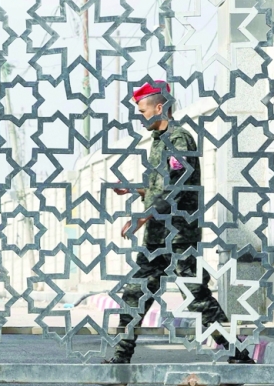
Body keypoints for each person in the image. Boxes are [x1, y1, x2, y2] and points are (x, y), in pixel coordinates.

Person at [108, 80, 253, 371]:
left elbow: (177, 185)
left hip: (178, 236)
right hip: (157, 236)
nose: (140, 117)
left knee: (196, 297)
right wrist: (135, 189)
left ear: (159, 107)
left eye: (143, 110)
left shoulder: (178, 139)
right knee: (136, 293)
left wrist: (142, 216)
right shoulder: (160, 141)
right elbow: (160, 187)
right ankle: (120, 359)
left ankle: (239, 354)